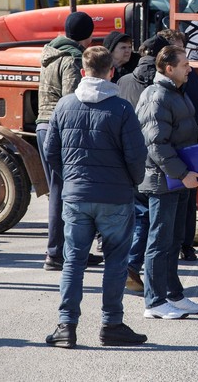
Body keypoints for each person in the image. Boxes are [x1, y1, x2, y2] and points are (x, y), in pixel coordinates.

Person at [43, 46, 149, 348]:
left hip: (77, 195)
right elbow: (136, 154)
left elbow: (51, 153)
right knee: (116, 261)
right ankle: (111, 324)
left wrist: (70, 180)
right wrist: (132, 182)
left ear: (81, 72)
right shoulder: (122, 108)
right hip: (115, 196)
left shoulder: (64, 106)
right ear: (111, 71)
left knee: (73, 261)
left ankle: (66, 326)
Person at [136, 45, 198, 319]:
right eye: (184, 64)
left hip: (177, 179)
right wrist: (182, 173)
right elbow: (156, 144)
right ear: (169, 68)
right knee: (159, 241)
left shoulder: (174, 92)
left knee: (174, 239)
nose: (189, 68)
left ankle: (174, 295)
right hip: (163, 180)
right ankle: (154, 302)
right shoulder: (157, 97)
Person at [37, 10, 101, 272]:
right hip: (60, 128)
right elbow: (71, 101)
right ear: (88, 36)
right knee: (65, 192)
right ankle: (57, 253)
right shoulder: (73, 59)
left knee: (60, 190)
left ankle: (68, 250)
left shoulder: (51, 53)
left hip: (43, 124)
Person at [117, 35, 171, 294]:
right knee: (153, 219)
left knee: (136, 214)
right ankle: (136, 266)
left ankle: (128, 264)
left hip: (126, 156)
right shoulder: (164, 84)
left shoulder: (124, 80)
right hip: (157, 159)